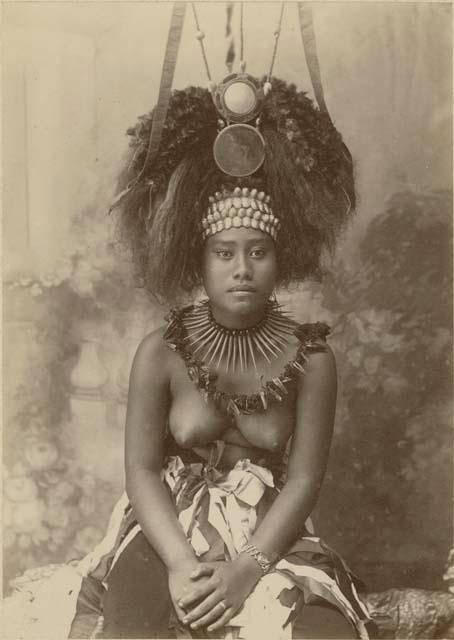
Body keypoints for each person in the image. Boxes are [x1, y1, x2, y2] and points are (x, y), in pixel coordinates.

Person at [65, 78, 375, 640]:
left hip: (270, 535)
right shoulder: (161, 351)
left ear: (280, 260)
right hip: (167, 531)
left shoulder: (313, 359)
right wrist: (184, 564)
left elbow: (304, 479)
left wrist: (242, 573)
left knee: (324, 634)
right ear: (199, 261)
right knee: (133, 627)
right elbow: (140, 471)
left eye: (258, 252)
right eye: (224, 253)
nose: (242, 269)